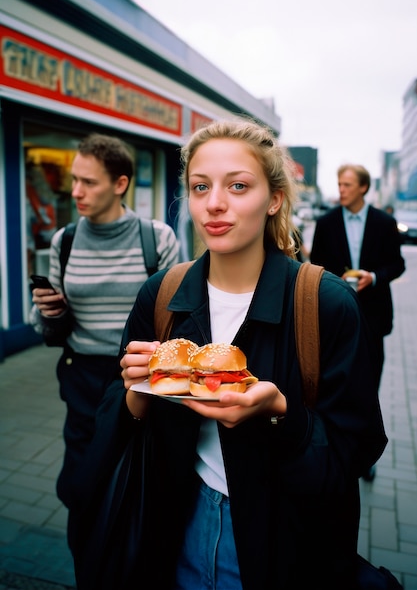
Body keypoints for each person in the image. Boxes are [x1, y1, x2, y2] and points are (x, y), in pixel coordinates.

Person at [70, 120, 387, 590]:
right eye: (200, 187)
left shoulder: (326, 303)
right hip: (171, 525)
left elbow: (354, 450)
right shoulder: (162, 294)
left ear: (274, 198)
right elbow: (114, 421)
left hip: (282, 539)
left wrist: (280, 412)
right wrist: (136, 396)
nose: (214, 203)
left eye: (238, 186)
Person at [30, 133, 179, 510]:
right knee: (81, 484)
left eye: (89, 182)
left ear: (120, 184)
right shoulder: (64, 241)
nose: (76, 191)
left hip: (139, 376)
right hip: (81, 374)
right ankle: (87, 555)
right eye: (74, 180)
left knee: (136, 478)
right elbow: (51, 330)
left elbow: (173, 321)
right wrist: (50, 312)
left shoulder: (157, 238)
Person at [309, 164, 405, 481]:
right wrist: (332, 283)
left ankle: (365, 454)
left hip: (374, 315)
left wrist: (374, 277)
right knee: (334, 380)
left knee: (368, 382)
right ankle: (335, 444)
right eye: (339, 184)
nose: (342, 190)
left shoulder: (384, 222)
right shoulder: (326, 222)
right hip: (335, 316)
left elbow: (398, 264)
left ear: (363, 187)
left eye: (348, 184)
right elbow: (315, 265)